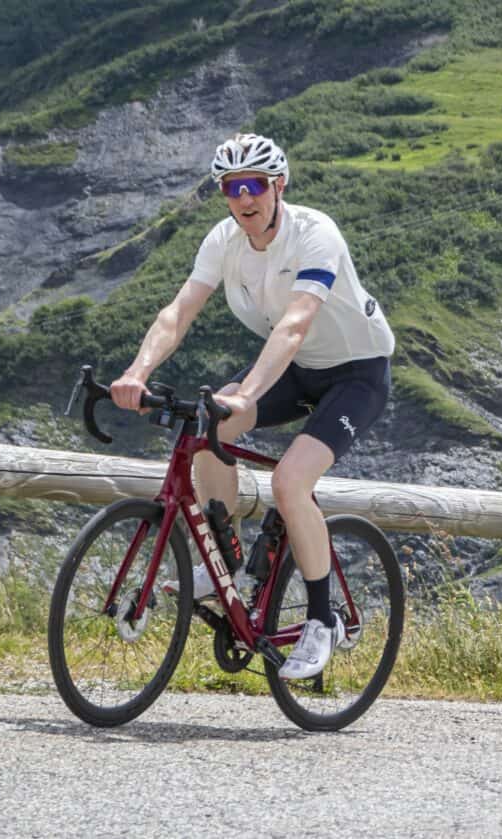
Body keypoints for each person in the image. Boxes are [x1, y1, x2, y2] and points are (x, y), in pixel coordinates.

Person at [110, 133, 394, 679]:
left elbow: (295, 324)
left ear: (278, 185)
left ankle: (320, 620)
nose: (245, 198)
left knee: (290, 483)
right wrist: (135, 373)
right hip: (294, 369)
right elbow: (178, 313)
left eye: (255, 185)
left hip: (356, 373)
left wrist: (245, 393)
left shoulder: (315, 234)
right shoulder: (224, 241)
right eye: (232, 187)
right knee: (202, 430)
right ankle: (231, 568)